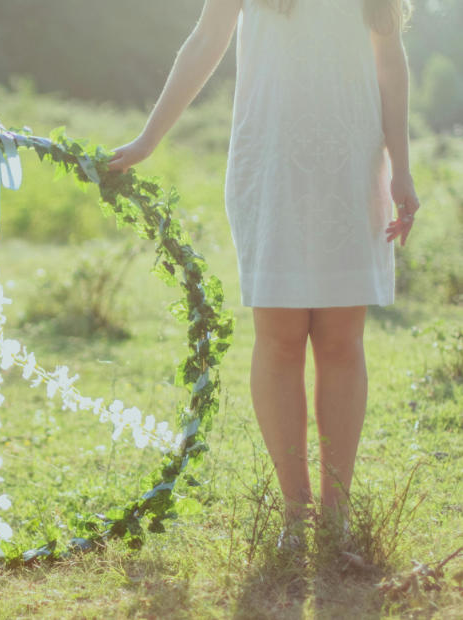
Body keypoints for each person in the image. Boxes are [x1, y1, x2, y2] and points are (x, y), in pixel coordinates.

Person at [109, 0, 420, 546]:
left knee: (342, 341)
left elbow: (389, 58)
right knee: (278, 340)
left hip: (352, 159)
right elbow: (205, 42)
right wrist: (147, 140)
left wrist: (402, 168)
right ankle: (296, 515)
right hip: (270, 157)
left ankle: (337, 512)